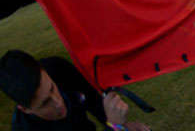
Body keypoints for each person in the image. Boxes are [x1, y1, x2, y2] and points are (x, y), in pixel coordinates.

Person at [0, 50, 151, 130]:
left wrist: (125, 127)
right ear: (25, 109)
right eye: (45, 103)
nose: (58, 102)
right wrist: (116, 126)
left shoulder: (57, 68)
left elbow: (96, 105)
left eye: (53, 87)